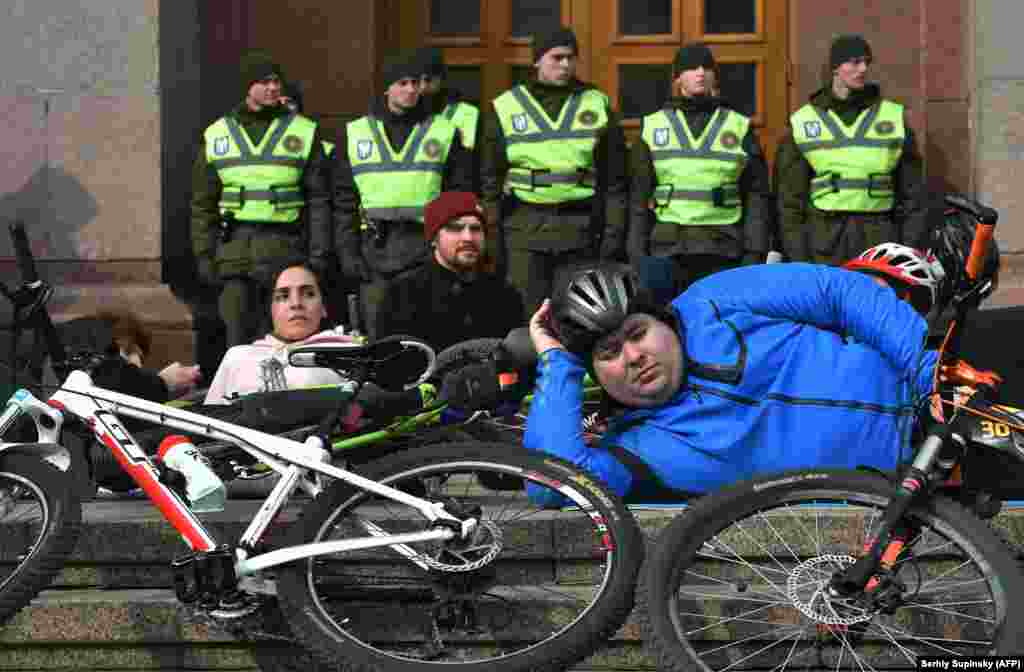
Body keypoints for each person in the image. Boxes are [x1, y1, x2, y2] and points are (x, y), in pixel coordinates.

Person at [480, 26, 629, 319]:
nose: (565, 65)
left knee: (580, 320)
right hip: (524, 232)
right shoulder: (507, 106)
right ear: (536, 60)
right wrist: (494, 240)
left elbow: (616, 182)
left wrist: (612, 236)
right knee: (525, 321)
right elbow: (489, 183)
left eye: (571, 58)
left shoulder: (595, 103)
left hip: (582, 231)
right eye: (556, 57)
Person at [190, 50, 332, 350]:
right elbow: (202, 204)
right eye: (264, 82)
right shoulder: (218, 134)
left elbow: (319, 199)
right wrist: (204, 255)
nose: (273, 88)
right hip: (234, 253)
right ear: (247, 86)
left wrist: (318, 254)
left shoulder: (304, 131)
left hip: (286, 249)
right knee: (238, 342)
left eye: (276, 81)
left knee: (288, 341)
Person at [333, 49, 473, 341]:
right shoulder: (356, 133)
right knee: (380, 341)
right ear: (387, 86)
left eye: (416, 83)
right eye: (403, 83)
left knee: (432, 336)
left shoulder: (444, 132)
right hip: (374, 252)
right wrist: (348, 254)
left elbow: (458, 200)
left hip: (427, 251)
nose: (411, 90)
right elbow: (344, 202)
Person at [628, 43, 771, 295]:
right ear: (678, 76)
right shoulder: (653, 125)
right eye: (692, 67)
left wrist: (755, 251)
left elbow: (756, 194)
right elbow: (638, 196)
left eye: (707, 67)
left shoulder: (737, 125)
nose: (700, 73)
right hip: (668, 248)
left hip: (724, 247)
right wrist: (636, 253)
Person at [775, 34, 927, 265]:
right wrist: (800, 258)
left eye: (866, 62)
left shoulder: (893, 117)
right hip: (824, 240)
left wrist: (906, 250)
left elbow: (914, 195)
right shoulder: (805, 121)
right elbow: (789, 201)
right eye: (854, 62)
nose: (863, 69)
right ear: (835, 68)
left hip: (880, 238)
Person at [375, 191, 524, 353]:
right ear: (433, 239)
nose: (468, 237)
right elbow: (388, 364)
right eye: (455, 228)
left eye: (476, 229)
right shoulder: (403, 294)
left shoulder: (504, 294)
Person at [203, 259, 357, 404]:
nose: (296, 304)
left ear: (324, 307)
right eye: (283, 296)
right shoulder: (237, 357)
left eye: (308, 294)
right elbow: (210, 419)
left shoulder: (347, 354)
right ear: (270, 309)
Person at [418, 47, 481, 190]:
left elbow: (473, 168)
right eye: (417, 81)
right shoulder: (406, 113)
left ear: (440, 78)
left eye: (428, 80)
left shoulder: (466, 113)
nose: (422, 87)